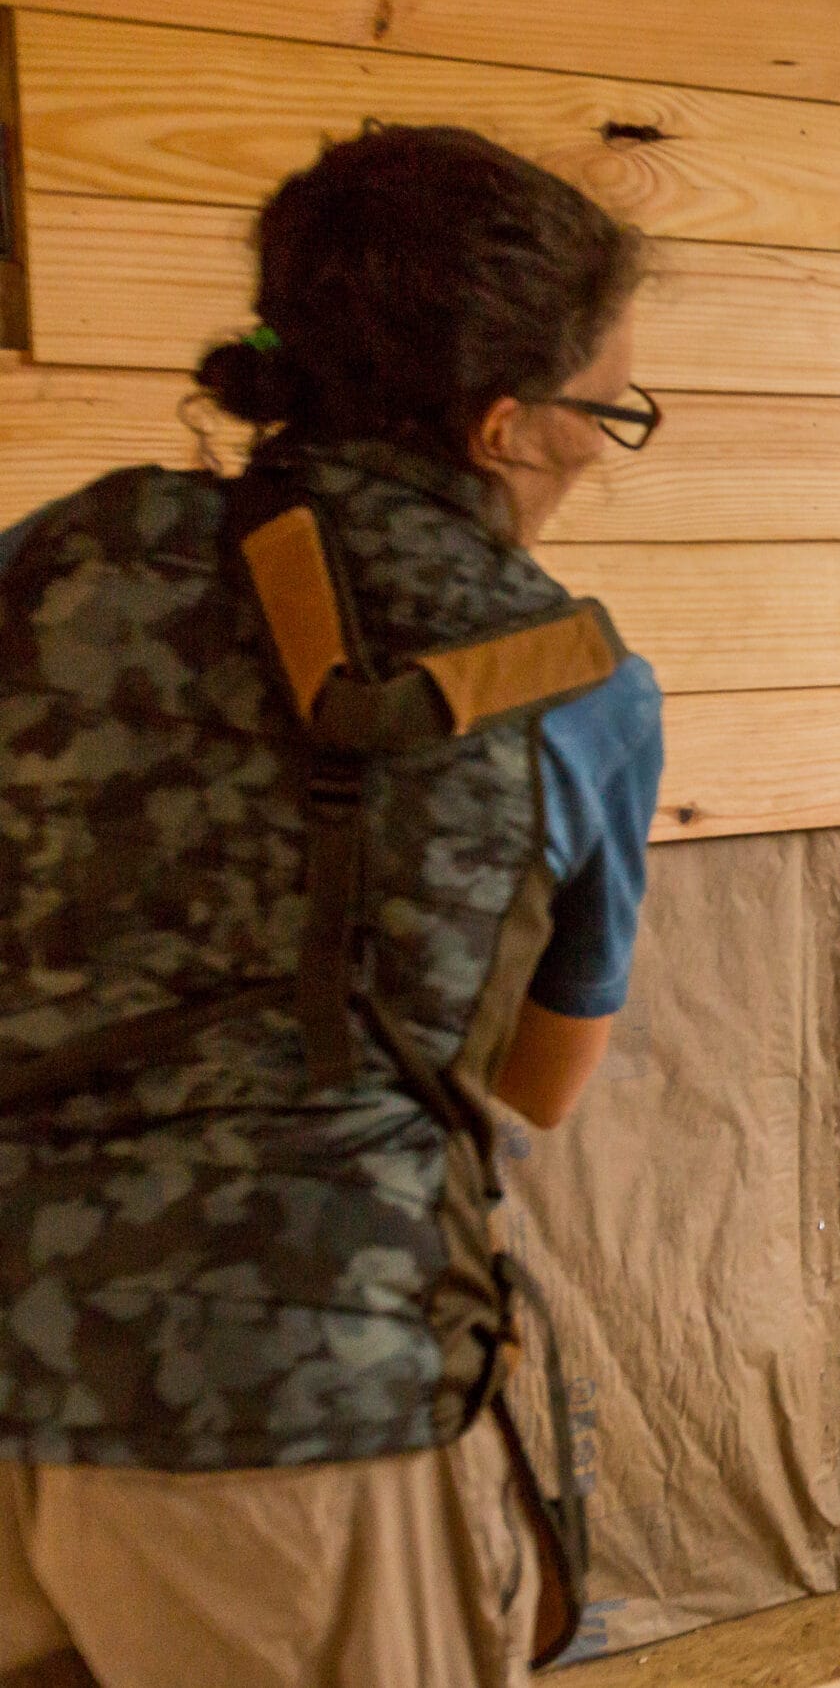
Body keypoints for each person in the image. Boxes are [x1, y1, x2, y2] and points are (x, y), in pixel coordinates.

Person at [0, 125, 663, 1684]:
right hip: (290, 1402)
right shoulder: (568, 679)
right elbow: (538, 1082)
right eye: (607, 411)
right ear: (506, 427)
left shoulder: (49, 559)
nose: (598, 450)